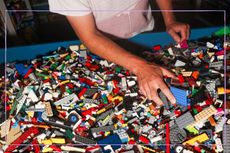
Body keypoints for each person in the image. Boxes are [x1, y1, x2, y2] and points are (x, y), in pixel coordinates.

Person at [48, 0, 190, 106]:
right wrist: (140, 67)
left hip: (145, 33)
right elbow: (90, 36)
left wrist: (170, 20)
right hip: (104, 49)